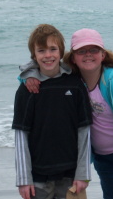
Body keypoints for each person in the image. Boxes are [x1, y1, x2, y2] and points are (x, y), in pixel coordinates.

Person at [20, 28, 113, 199]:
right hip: (106, 159)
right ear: (73, 57)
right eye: (81, 51)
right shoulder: (72, 81)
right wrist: (29, 76)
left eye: (94, 50)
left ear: (103, 55)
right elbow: (46, 70)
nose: (88, 55)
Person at [12, 24, 93, 199]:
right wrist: (24, 179)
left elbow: (84, 131)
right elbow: (21, 135)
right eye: (41, 50)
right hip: (38, 177)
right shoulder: (27, 89)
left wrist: (83, 174)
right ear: (34, 55)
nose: (48, 55)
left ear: (61, 52)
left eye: (53, 49)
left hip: (71, 175)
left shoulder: (75, 84)